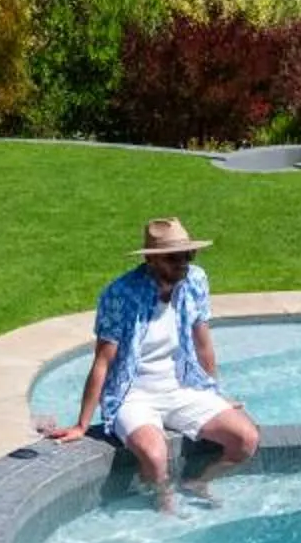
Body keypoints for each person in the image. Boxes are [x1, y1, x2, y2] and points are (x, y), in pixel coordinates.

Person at [46, 215, 261, 509]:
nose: (183, 263)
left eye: (188, 255)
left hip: (183, 386)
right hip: (133, 394)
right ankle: (164, 503)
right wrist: (82, 424)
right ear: (152, 260)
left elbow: (203, 343)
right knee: (156, 457)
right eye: (174, 258)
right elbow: (102, 361)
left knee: (246, 440)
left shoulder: (195, 280)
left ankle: (198, 482)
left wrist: (213, 390)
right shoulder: (120, 294)